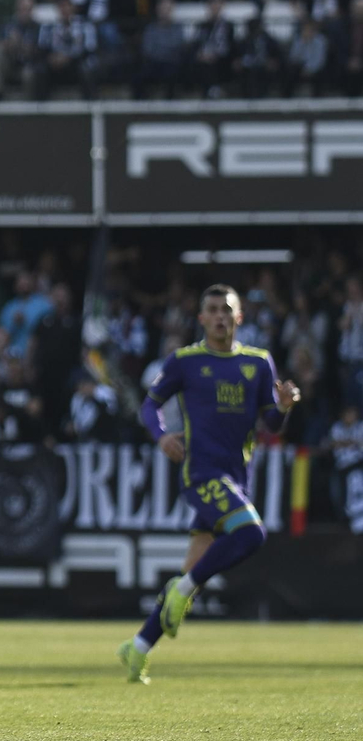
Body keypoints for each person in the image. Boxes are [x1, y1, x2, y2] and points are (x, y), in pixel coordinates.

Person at [119, 284, 301, 684]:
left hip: (237, 478)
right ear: (201, 318)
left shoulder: (258, 363)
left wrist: (284, 407)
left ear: (239, 317)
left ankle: (137, 647)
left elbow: (270, 422)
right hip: (201, 474)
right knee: (251, 533)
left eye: (227, 309)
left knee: (190, 579)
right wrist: (162, 435)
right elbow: (150, 404)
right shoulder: (186, 361)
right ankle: (181, 589)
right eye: (212, 309)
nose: (220, 316)